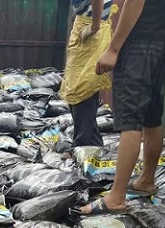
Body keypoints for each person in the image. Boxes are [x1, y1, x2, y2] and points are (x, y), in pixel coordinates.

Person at [81, 0, 165, 214]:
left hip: (138, 44)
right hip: (163, 43)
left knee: (130, 120)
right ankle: (146, 180)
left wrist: (113, 48)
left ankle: (116, 197)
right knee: (152, 117)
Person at [60, 0, 114, 151]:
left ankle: (82, 144)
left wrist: (94, 26)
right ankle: (93, 141)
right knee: (76, 90)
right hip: (84, 23)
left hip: (91, 28)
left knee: (83, 89)